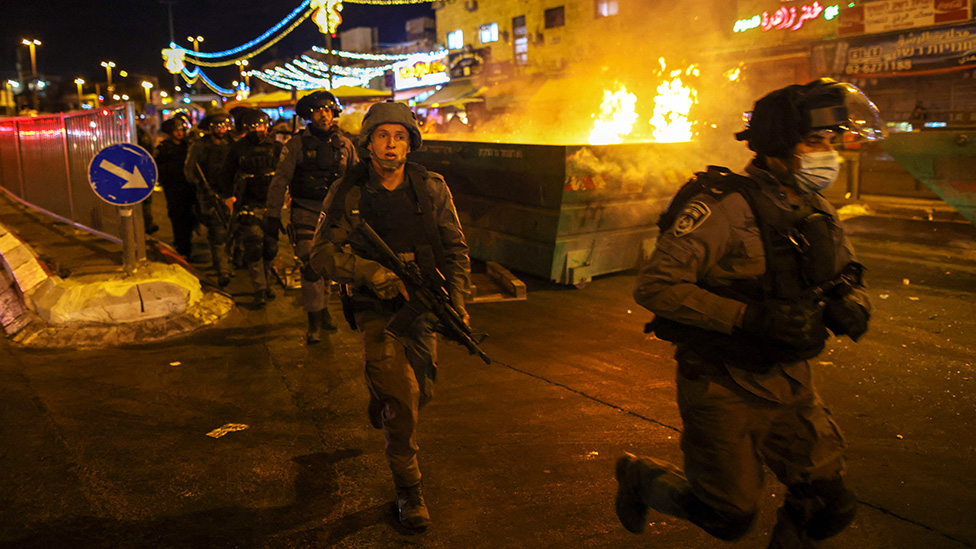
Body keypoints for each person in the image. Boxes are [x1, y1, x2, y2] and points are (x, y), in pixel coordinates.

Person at [616, 79, 882, 547]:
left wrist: (852, 305)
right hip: (723, 385)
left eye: (831, 142)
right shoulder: (722, 207)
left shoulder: (816, 208)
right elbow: (656, 286)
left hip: (790, 381)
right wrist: (748, 318)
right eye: (814, 141)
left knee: (829, 503)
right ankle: (642, 478)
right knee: (728, 516)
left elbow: (848, 275)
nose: (829, 153)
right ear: (778, 148)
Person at [309, 101, 470, 529]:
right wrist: (368, 271)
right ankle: (409, 491)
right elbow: (320, 253)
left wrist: (458, 300)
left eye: (400, 136)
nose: (391, 144)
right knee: (402, 402)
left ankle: (382, 397)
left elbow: (455, 249)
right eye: (383, 135)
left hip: (421, 303)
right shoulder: (350, 191)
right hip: (374, 308)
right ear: (368, 142)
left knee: (422, 393)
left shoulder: (430, 187)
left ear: (411, 142)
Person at [267, 91, 358, 343]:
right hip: (305, 212)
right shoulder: (296, 144)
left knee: (329, 265)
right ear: (309, 115)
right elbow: (280, 181)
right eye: (318, 110)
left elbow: (357, 180)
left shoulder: (345, 145)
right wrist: (273, 217)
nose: (324, 115)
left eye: (328, 110)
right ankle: (314, 321)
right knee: (310, 266)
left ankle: (324, 309)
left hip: (334, 215)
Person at [220, 109, 283, 309]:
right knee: (254, 247)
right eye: (254, 127)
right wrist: (228, 197)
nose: (259, 131)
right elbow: (227, 174)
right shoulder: (238, 149)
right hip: (249, 204)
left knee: (270, 248)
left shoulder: (278, 148)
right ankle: (260, 289)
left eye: (262, 126)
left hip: (272, 204)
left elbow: (289, 172)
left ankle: (268, 282)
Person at [185, 110, 234, 287]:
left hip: (231, 194)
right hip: (209, 195)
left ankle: (229, 262)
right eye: (218, 126)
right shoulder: (201, 146)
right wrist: (203, 188)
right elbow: (190, 171)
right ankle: (223, 270)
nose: (222, 129)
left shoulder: (232, 144)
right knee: (218, 233)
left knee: (232, 230)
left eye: (224, 125)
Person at [155, 116, 196, 260]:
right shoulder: (164, 148)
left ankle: (188, 245)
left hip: (188, 186)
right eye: (176, 130)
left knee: (190, 216)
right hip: (172, 187)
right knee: (176, 216)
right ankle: (181, 244)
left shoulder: (188, 146)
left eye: (181, 130)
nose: (179, 133)